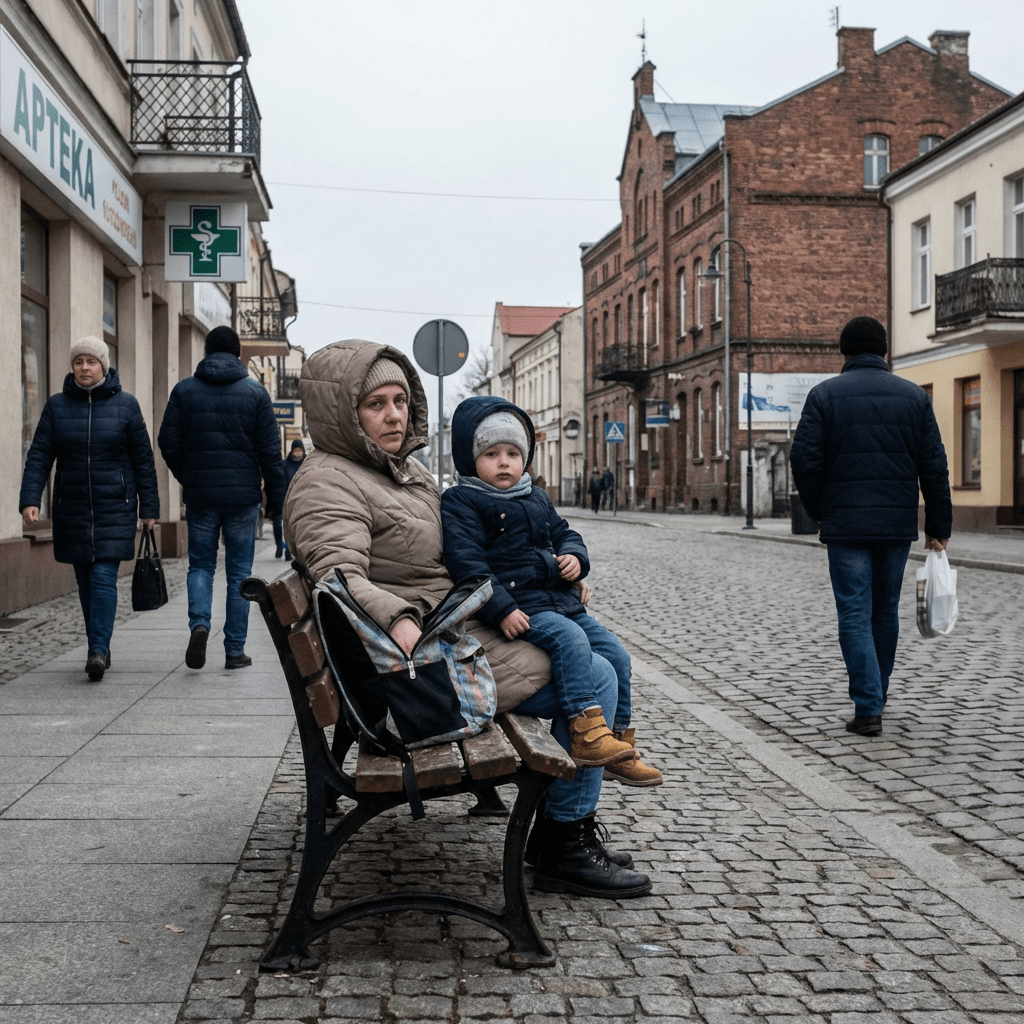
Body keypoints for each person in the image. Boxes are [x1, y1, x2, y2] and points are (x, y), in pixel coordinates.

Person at [283, 340, 652, 898]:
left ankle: (561, 832)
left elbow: (465, 552)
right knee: (594, 674)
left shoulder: (400, 472)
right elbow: (338, 577)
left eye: (400, 401)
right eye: (375, 404)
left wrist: (553, 577)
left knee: (593, 656)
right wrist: (399, 619)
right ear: (343, 413)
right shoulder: (327, 480)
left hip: (447, 634)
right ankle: (562, 843)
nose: (393, 415)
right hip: (410, 672)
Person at [442, 396, 663, 787]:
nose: (505, 462)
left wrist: (575, 559)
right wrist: (502, 609)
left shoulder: (536, 496)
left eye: (513, 453)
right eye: (491, 454)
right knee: (571, 641)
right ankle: (586, 730)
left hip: (560, 600)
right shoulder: (463, 501)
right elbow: (469, 565)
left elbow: (565, 534)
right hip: (524, 607)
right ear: (470, 458)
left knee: (616, 653)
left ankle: (618, 740)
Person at [790, 316, 952, 737]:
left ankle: (868, 706)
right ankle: (877, 695)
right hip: (896, 524)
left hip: (845, 525)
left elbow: (803, 459)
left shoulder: (824, 395)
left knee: (854, 611)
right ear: (883, 349)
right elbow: (934, 465)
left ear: (844, 351)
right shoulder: (913, 397)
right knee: (885, 610)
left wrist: (819, 509)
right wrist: (939, 523)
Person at [19, 337, 159, 681]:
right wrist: (29, 499)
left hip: (116, 506)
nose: (84, 367)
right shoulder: (56, 407)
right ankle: (101, 642)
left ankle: (96, 650)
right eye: (79, 361)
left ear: (104, 366)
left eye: (91, 361)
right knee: (85, 581)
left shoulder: (127, 406)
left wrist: (149, 508)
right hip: (73, 506)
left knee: (102, 577)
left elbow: (143, 461)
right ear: (72, 367)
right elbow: (39, 455)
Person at [158, 326, 286, 671]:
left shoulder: (184, 391)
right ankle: (234, 650)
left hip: (201, 496)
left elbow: (167, 442)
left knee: (200, 565)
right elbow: (270, 454)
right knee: (239, 572)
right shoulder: (255, 394)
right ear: (238, 353)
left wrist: (190, 475)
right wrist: (277, 499)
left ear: (206, 350)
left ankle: (200, 625)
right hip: (243, 496)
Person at [274, 439, 306, 560]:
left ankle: (289, 550)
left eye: (299, 450)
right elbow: (280, 482)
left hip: (300, 499)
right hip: (285, 498)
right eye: (295, 450)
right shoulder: (285, 464)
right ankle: (279, 546)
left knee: (294, 525)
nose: (298, 453)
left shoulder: (306, 464)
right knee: (279, 523)